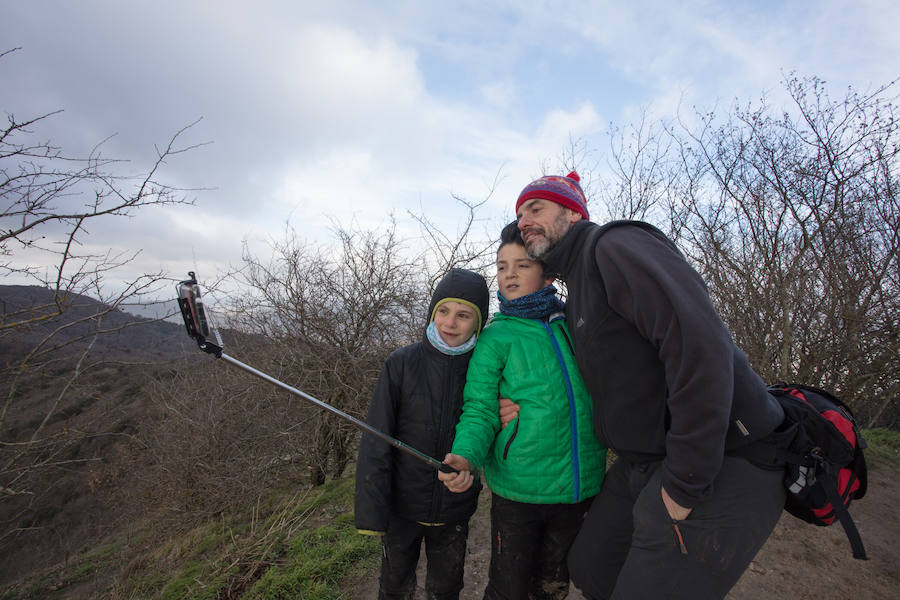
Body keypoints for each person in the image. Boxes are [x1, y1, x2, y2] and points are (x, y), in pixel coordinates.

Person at [508, 171, 787, 599]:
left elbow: (701, 345)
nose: (524, 220)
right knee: (591, 566)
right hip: (646, 461)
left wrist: (686, 479)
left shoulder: (614, 246)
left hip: (724, 457)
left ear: (572, 212)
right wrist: (508, 402)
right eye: (520, 213)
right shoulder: (578, 285)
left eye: (536, 208)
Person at [438, 221, 606, 600]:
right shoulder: (497, 337)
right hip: (519, 492)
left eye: (522, 264)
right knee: (508, 588)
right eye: (501, 266)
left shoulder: (575, 326)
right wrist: (465, 456)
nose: (509, 273)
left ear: (547, 272)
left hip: (580, 487)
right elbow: (480, 408)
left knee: (553, 585)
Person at [354, 268, 490, 600]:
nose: (450, 322)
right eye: (443, 310)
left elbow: (487, 427)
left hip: (454, 508)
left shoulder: (485, 368)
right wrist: (373, 510)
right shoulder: (400, 363)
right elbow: (376, 436)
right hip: (402, 506)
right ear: (432, 312)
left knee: (445, 589)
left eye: (463, 315)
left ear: (479, 323)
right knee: (395, 585)